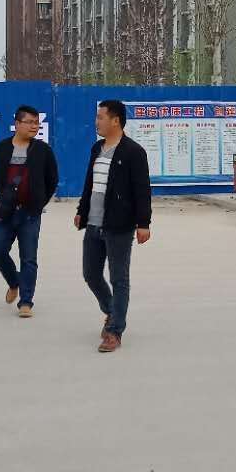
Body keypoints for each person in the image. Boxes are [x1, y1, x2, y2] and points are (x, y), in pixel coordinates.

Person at [74, 98, 152, 353]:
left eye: (101, 117)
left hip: (119, 226)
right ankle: (111, 310)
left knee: (119, 279)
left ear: (115, 120)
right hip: (93, 224)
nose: (96, 122)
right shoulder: (97, 149)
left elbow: (142, 191)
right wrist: (81, 211)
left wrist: (143, 223)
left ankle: (115, 331)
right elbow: (89, 184)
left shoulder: (133, 152)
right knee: (90, 274)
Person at [0, 104, 59, 317]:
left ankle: (26, 302)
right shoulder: (1, 149)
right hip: (6, 212)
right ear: (17, 124)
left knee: (28, 258)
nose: (34, 126)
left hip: (30, 213)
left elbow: (52, 179)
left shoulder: (43, 151)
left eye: (37, 122)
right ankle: (14, 282)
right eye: (29, 122)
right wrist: (6, 197)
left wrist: (39, 202)